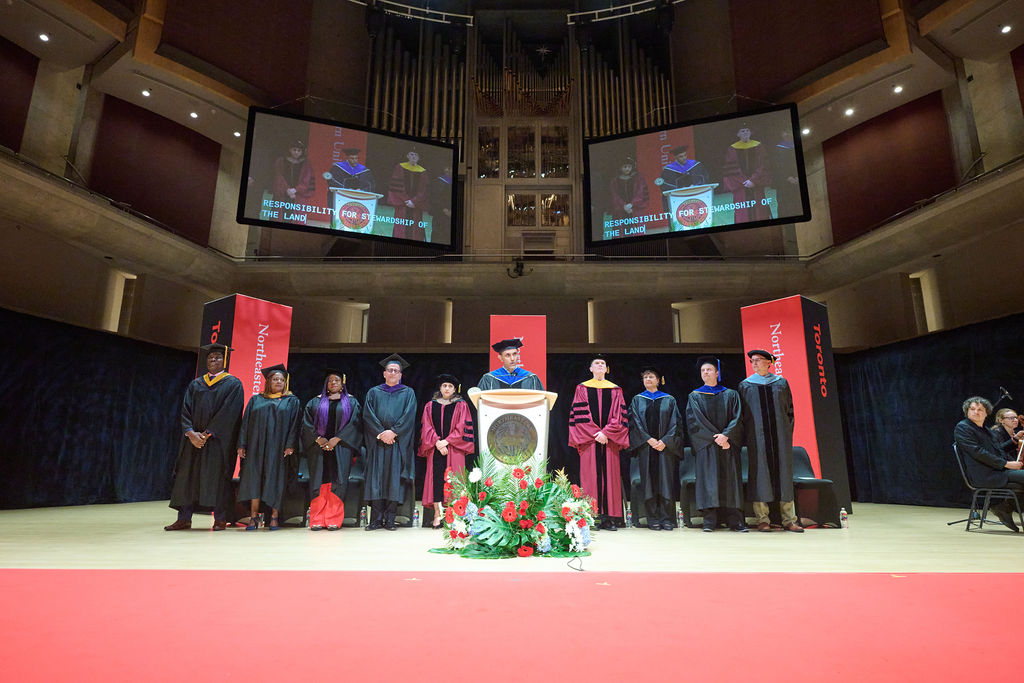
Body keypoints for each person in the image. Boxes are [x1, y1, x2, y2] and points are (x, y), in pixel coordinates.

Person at [165, 343, 244, 531]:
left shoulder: (233, 384)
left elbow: (229, 413)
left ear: (224, 361)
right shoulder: (196, 384)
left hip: (217, 442)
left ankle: (220, 518)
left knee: (217, 478)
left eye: (217, 358)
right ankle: (184, 518)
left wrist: (207, 434)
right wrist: (191, 433)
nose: (213, 360)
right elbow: (185, 410)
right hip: (192, 441)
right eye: (210, 358)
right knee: (187, 477)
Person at [737, 349, 803, 532]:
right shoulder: (746, 385)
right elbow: (742, 415)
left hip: (780, 438)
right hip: (757, 440)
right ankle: (762, 519)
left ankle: (789, 519)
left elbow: (789, 411)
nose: (754, 364)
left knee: (784, 475)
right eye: (752, 361)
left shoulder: (781, 383)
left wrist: (786, 434)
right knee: (760, 476)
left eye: (758, 360)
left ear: (769, 362)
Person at [237, 364, 302, 531]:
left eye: (281, 379)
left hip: (278, 448)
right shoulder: (256, 399)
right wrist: (242, 444)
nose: (278, 382)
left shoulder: (291, 401)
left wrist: (290, 445)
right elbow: (245, 424)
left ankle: (274, 516)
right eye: (275, 379)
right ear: (268, 381)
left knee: (276, 481)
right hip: (256, 447)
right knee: (254, 481)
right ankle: (253, 517)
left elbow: (295, 425)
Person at [569, 355, 630, 530]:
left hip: (609, 441)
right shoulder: (582, 388)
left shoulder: (615, 390)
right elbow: (579, 414)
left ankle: (609, 519)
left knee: (610, 479)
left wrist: (606, 433)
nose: (600, 365)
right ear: (591, 369)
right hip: (590, 440)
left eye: (603, 364)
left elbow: (619, 416)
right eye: (596, 363)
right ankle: (591, 517)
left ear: (606, 369)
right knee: (590, 478)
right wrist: (597, 434)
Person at [686, 356, 746, 532]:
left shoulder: (731, 394)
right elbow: (694, 422)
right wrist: (716, 438)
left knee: (730, 482)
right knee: (709, 482)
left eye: (709, 369)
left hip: (728, 445)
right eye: (703, 370)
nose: (705, 372)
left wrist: (727, 436)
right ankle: (709, 521)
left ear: (717, 373)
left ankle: (735, 521)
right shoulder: (695, 396)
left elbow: (738, 418)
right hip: (707, 446)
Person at [300, 369, 362, 531]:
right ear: (326, 384)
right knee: (318, 481)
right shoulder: (315, 402)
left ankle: (333, 517)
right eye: (330, 381)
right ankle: (317, 518)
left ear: (342, 384)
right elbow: (306, 424)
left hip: (341, 447)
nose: (333, 383)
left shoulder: (351, 402)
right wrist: (318, 439)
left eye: (337, 380)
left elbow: (354, 423)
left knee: (338, 481)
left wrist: (336, 439)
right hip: (318, 448)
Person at [362, 353, 418, 531]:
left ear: (401, 375)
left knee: (393, 481)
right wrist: (381, 433)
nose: (393, 373)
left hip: (396, 444)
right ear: (384, 373)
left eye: (396, 371)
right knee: (376, 481)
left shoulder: (408, 393)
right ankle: (376, 519)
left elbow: (409, 416)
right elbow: (367, 416)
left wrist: (393, 432)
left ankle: (391, 519)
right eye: (390, 370)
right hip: (378, 444)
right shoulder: (374, 392)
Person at [956, 396, 1024, 532]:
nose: (976, 412)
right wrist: (1006, 464)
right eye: (972, 409)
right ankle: (1004, 507)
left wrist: (1014, 462)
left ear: (986, 412)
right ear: (967, 412)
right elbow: (978, 453)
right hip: (985, 474)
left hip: (997, 471)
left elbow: (998, 451)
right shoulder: (963, 427)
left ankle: (1004, 507)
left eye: (980, 409)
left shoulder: (987, 430)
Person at [627, 366, 683, 530]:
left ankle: (667, 518)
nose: (648, 380)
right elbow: (634, 423)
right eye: (645, 378)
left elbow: (676, 423)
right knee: (649, 483)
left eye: (651, 377)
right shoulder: (637, 400)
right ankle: (652, 518)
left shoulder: (669, 399)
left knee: (666, 482)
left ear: (659, 380)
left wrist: (665, 441)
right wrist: (648, 440)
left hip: (665, 448)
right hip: (646, 448)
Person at [418, 374, 475, 528]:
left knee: (453, 481)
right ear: (440, 388)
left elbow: (463, 427)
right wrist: (437, 442)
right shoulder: (430, 405)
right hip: (435, 448)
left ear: (455, 389)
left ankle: (453, 515)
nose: (447, 389)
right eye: (444, 386)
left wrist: (446, 442)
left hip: (455, 449)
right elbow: (426, 427)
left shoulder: (461, 405)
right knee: (436, 481)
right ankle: (437, 514)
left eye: (450, 386)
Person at [722, 124, 771, 223]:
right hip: (741, 186)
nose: (745, 133)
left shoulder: (758, 146)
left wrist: (753, 180)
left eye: (747, 130)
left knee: (760, 210)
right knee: (742, 212)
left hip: (756, 185)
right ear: (738, 134)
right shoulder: (732, 148)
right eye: (742, 131)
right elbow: (731, 168)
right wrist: (744, 181)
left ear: (751, 133)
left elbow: (763, 164)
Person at [387, 149, 429, 241]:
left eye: (416, 155)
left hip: (415, 206)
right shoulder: (400, 167)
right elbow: (396, 186)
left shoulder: (422, 171)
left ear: (419, 158)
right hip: (402, 205)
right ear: (407, 156)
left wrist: (414, 201)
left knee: (415, 231)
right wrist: (406, 200)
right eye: (411, 154)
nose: (413, 156)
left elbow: (424, 190)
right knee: (400, 228)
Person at [476, 338, 544, 391]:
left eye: (514, 354)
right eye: (507, 355)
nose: (512, 358)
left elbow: (541, 402)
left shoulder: (531, 378)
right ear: (500, 358)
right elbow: (481, 404)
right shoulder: (489, 379)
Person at [654, 145, 708, 211]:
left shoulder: (695, 165)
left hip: (696, 195)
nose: (684, 158)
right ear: (675, 157)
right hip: (678, 199)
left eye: (685, 155)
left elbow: (704, 177)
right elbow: (665, 186)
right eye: (681, 156)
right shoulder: (668, 170)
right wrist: (680, 189)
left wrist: (696, 186)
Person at [770, 129, 801, 218]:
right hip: (783, 182)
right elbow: (776, 166)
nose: (787, 134)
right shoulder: (778, 148)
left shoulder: (796, 146)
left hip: (797, 180)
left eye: (789, 132)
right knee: (785, 204)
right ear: (781, 134)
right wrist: (787, 177)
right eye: (785, 132)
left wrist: (797, 176)